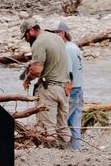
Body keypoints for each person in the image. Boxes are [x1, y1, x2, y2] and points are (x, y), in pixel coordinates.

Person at [21, 19, 71, 148]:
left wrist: (27, 79)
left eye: (25, 36)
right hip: (64, 88)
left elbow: (37, 70)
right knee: (62, 126)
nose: (26, 40)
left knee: (47, 128)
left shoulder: (39, 42)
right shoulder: (57, 38)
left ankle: (51, 158)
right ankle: (69, 155)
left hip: (49, 89)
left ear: (31, 30)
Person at [56, 20, 84, 150]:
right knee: (75, 123)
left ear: (62, 33)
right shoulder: (75, 47)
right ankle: (76, 149)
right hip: (79, 88)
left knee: (61, 122)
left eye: (54, 33)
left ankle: (62, 150)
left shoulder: (66, 49)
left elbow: (68, 72)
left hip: (71, 89)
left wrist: (65, 91)